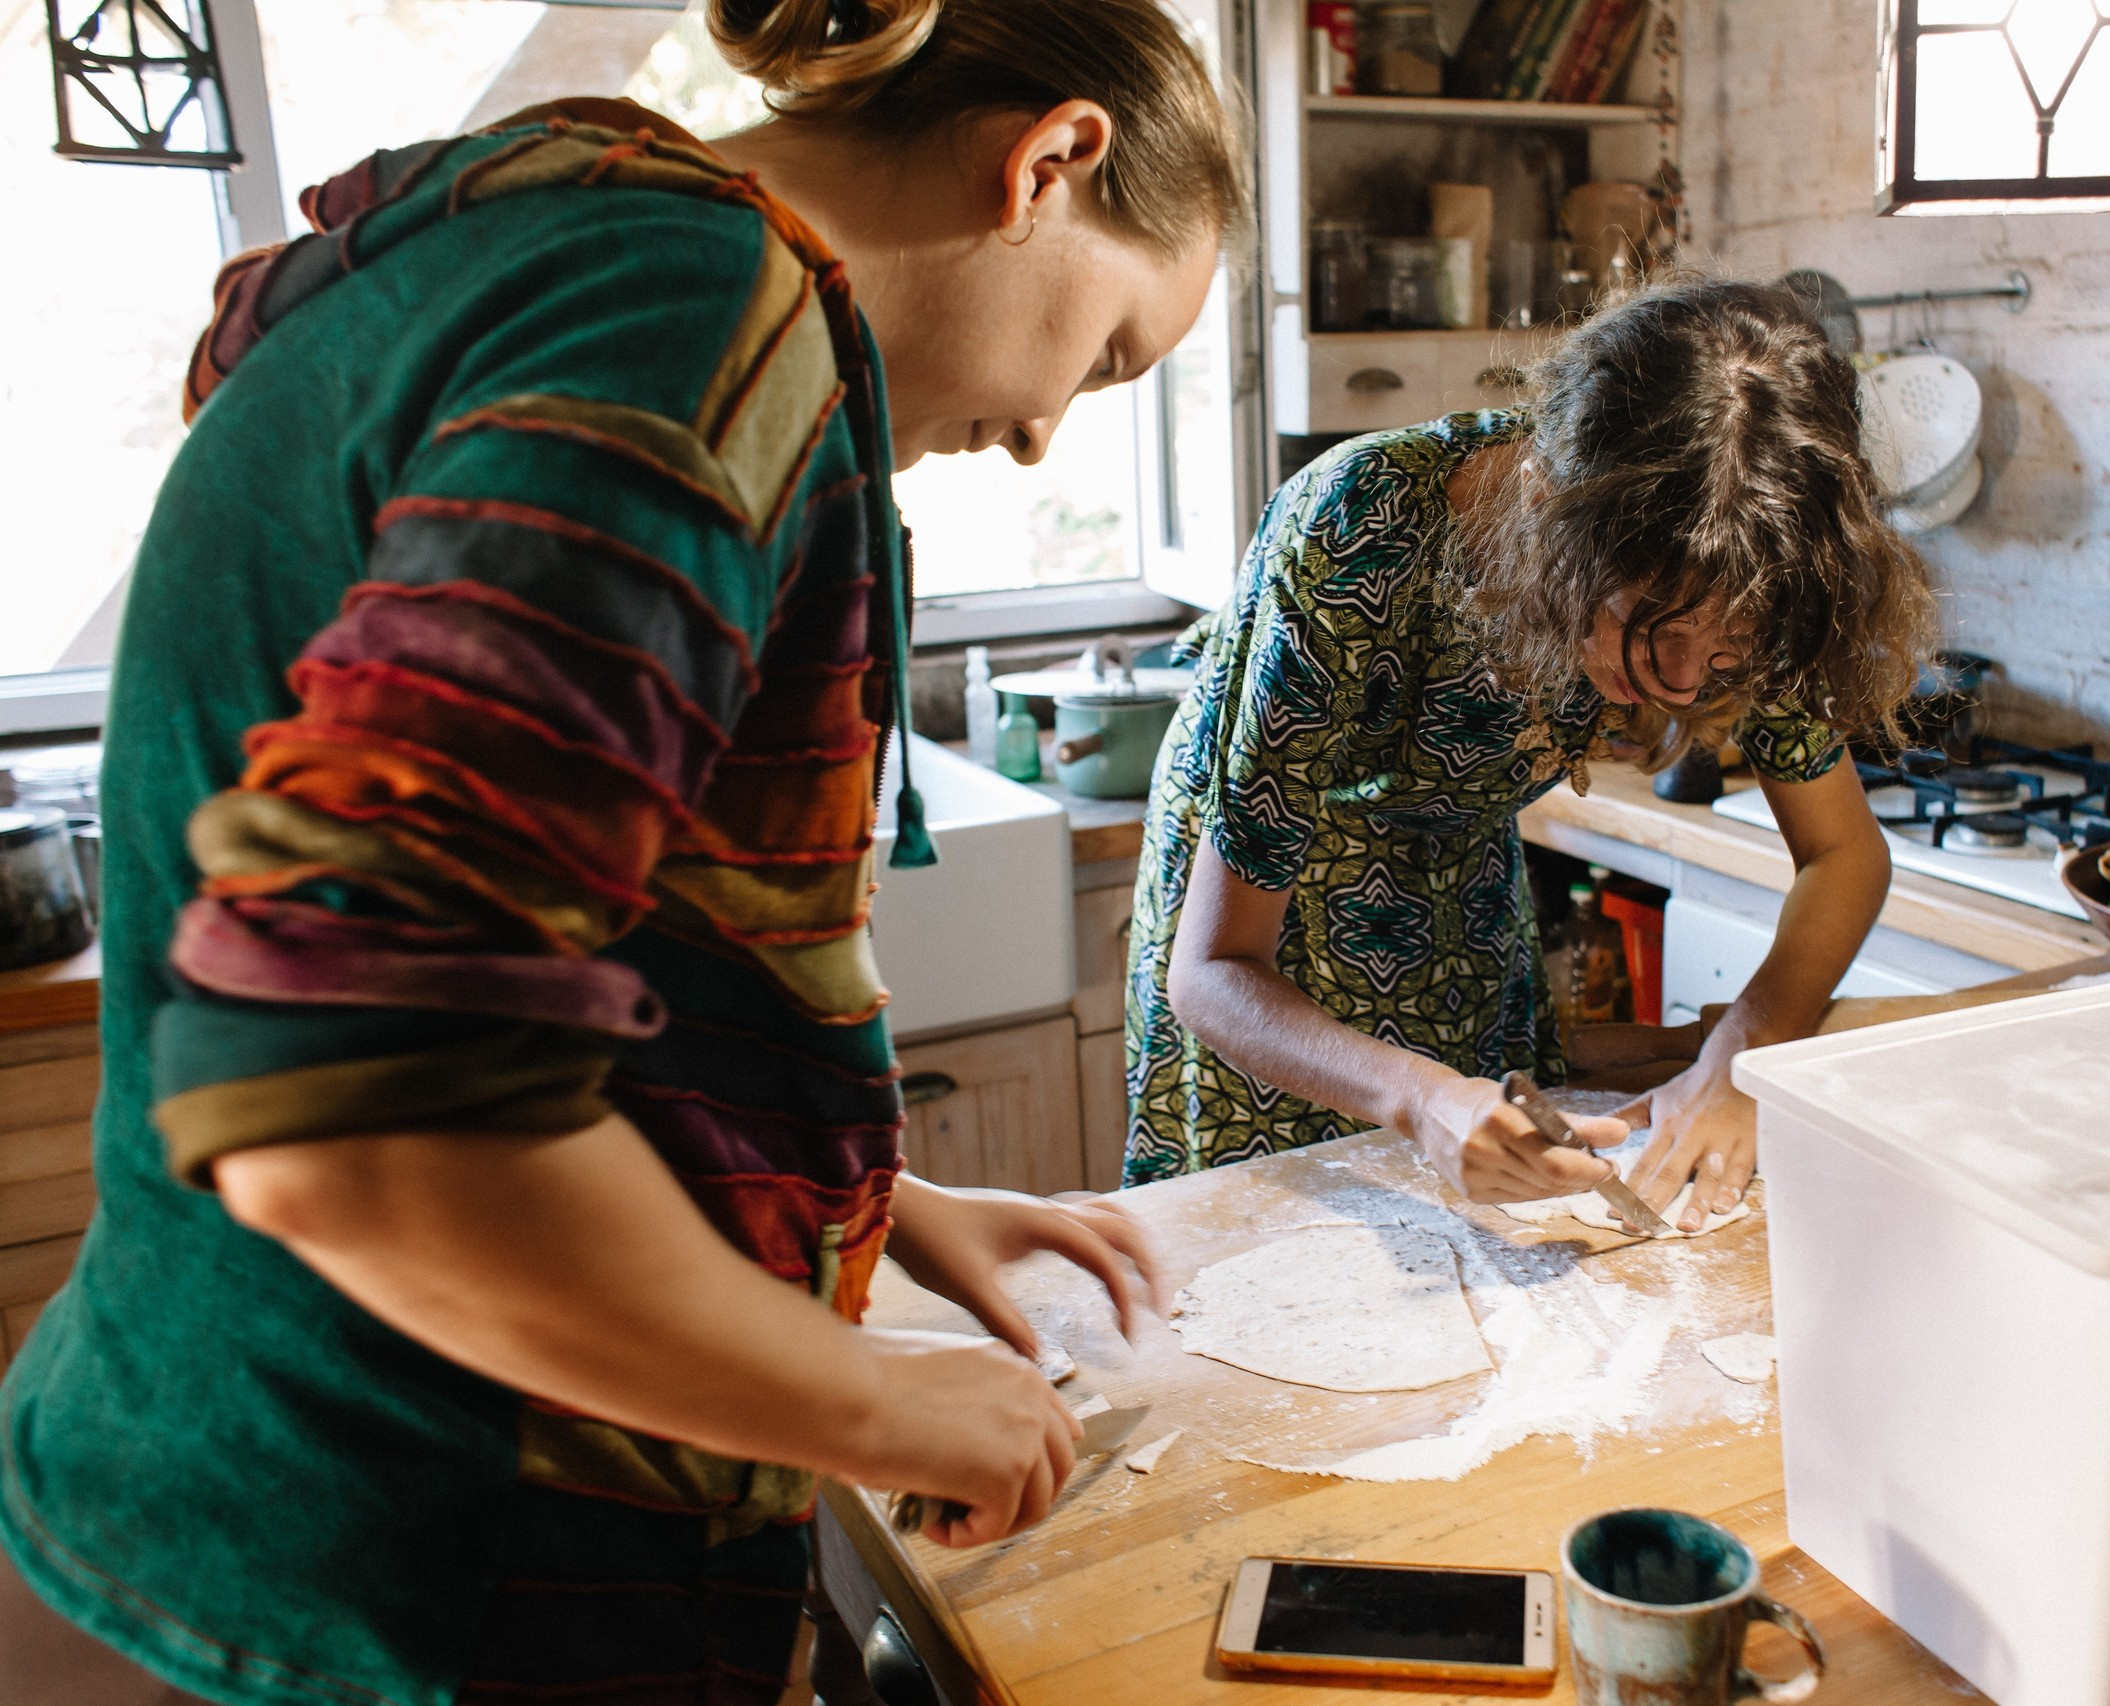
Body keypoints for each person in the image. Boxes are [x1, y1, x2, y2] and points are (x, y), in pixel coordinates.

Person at [0, 1, 1242, 1702]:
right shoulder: (696, 308)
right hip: (426, 1539)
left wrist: (878, 1214)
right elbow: (368, 1096)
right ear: (1049, 160)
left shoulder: (507, 240)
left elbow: (561, 981)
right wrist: (876, 1397)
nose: (1042, 433)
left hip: (246, 1463)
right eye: (1104, 353)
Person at [1125, 277, 1932, 1225]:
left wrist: (1740, 1060)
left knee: (1497, 1251)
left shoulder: (1746, 558)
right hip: (1267, 943)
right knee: (1279, 1268)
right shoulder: (1357, 526)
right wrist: (1421, 1096)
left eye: (1724, 651)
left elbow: (1844, 855)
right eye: (1648, 627)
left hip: (1461, 906)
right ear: (1552, 514)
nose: (1683, 682)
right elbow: (1212, 973)